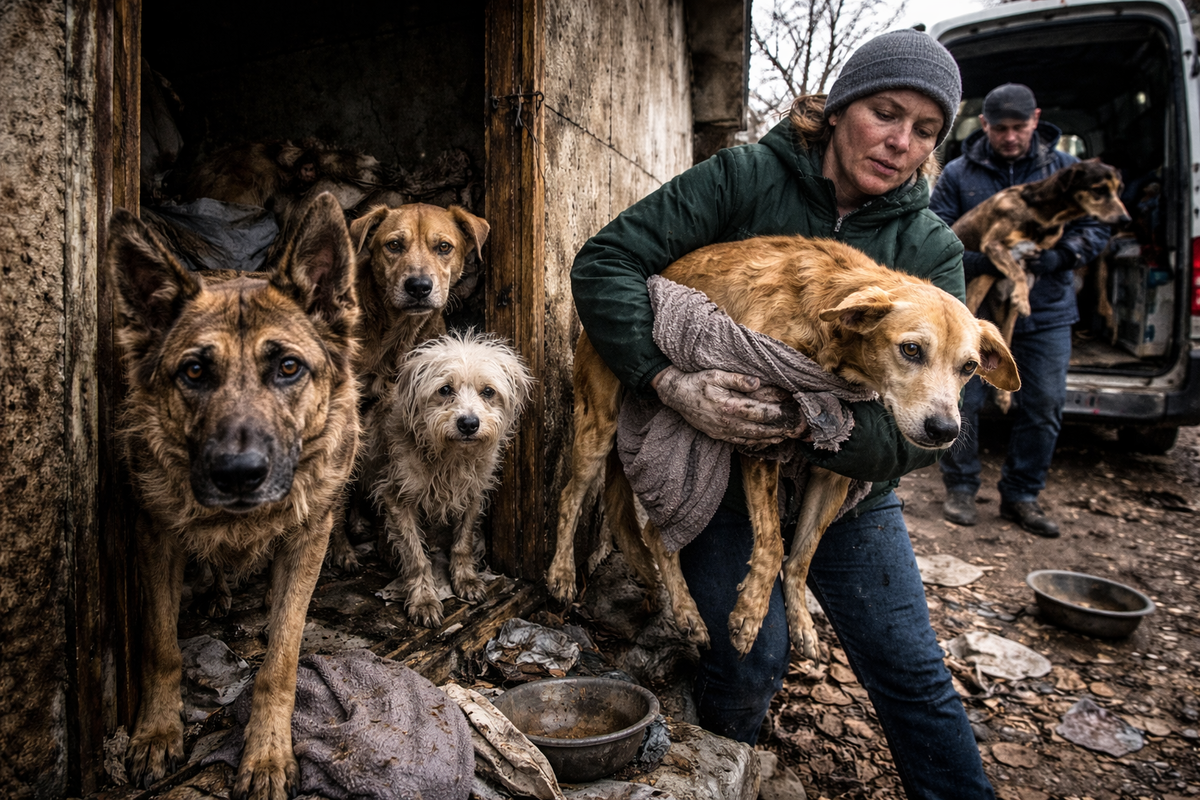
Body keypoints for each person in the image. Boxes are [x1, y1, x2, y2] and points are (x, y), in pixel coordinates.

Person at [571, 29, 995, 800]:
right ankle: (715, 769)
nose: (901, 142)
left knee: (911, 667)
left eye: (926, 131)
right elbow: (606, 263)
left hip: (851, 485)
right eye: (885, 112)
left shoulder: (927, 244)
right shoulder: (743, 176)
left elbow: (926, 426)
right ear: (839, 110)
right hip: (723, 463)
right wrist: (666, 380)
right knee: (751, 658)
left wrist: (807, 426)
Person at [931, 84, 1110, 537]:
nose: (1011, 137)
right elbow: (938, 237)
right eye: (1001, 128)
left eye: (1020, 127)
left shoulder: (1066, 170)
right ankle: (961, 486)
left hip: (1044, 310)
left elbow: (1095, 229)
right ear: (985, 125)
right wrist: (989, 261)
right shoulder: (957, 174)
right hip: (974, 314)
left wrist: (1059, 257)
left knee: (1044, 404)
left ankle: (1022, 495)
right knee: (962, 399)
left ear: (1036, 120)